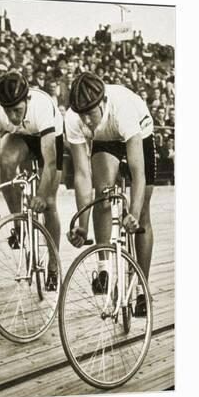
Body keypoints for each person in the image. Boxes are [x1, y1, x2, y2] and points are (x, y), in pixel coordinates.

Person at [65, 72, 155, 315]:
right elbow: (83, 176)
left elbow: (139, 174)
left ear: (103, 102)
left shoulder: (122, 109)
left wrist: (133, 213)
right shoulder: (73, 118)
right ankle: (104, 267)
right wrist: (82, 226)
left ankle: (141, 288)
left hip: (138, 131)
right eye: (81, 115)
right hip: (106, 138)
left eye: (90, 114)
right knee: (102, 192)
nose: (86, 121)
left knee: (142, 216)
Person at [0, 71, 64, 291]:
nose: (13, 117)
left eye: (17, 110)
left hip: (48, 138)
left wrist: (41, 195)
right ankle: (18, 223)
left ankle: (53, 264)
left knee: (49, 204)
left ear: (27, 100)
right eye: (8, 111)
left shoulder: (42, 106)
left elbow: (51, 162)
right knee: (5, 162)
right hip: (22, 136)